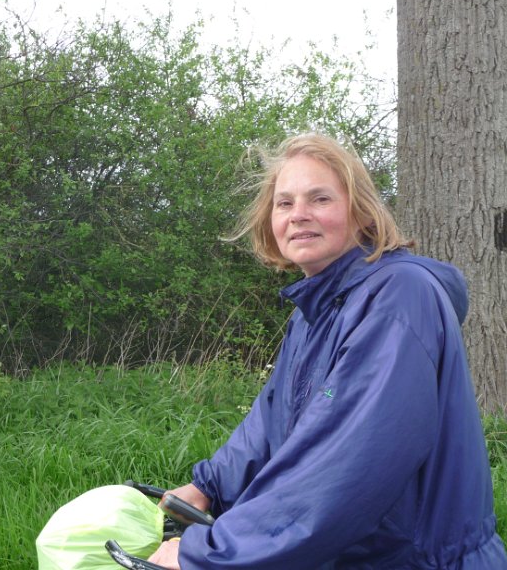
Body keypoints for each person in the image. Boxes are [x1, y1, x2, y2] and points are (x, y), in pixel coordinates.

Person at [147, 132, 507, 569]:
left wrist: (209, 553)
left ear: (361, 214)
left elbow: (348, 466)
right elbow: (270, 418)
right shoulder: (316, 311)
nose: (298, 215)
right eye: (285, 203)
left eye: (319, 199)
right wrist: (208, 487)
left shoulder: (398, 297)